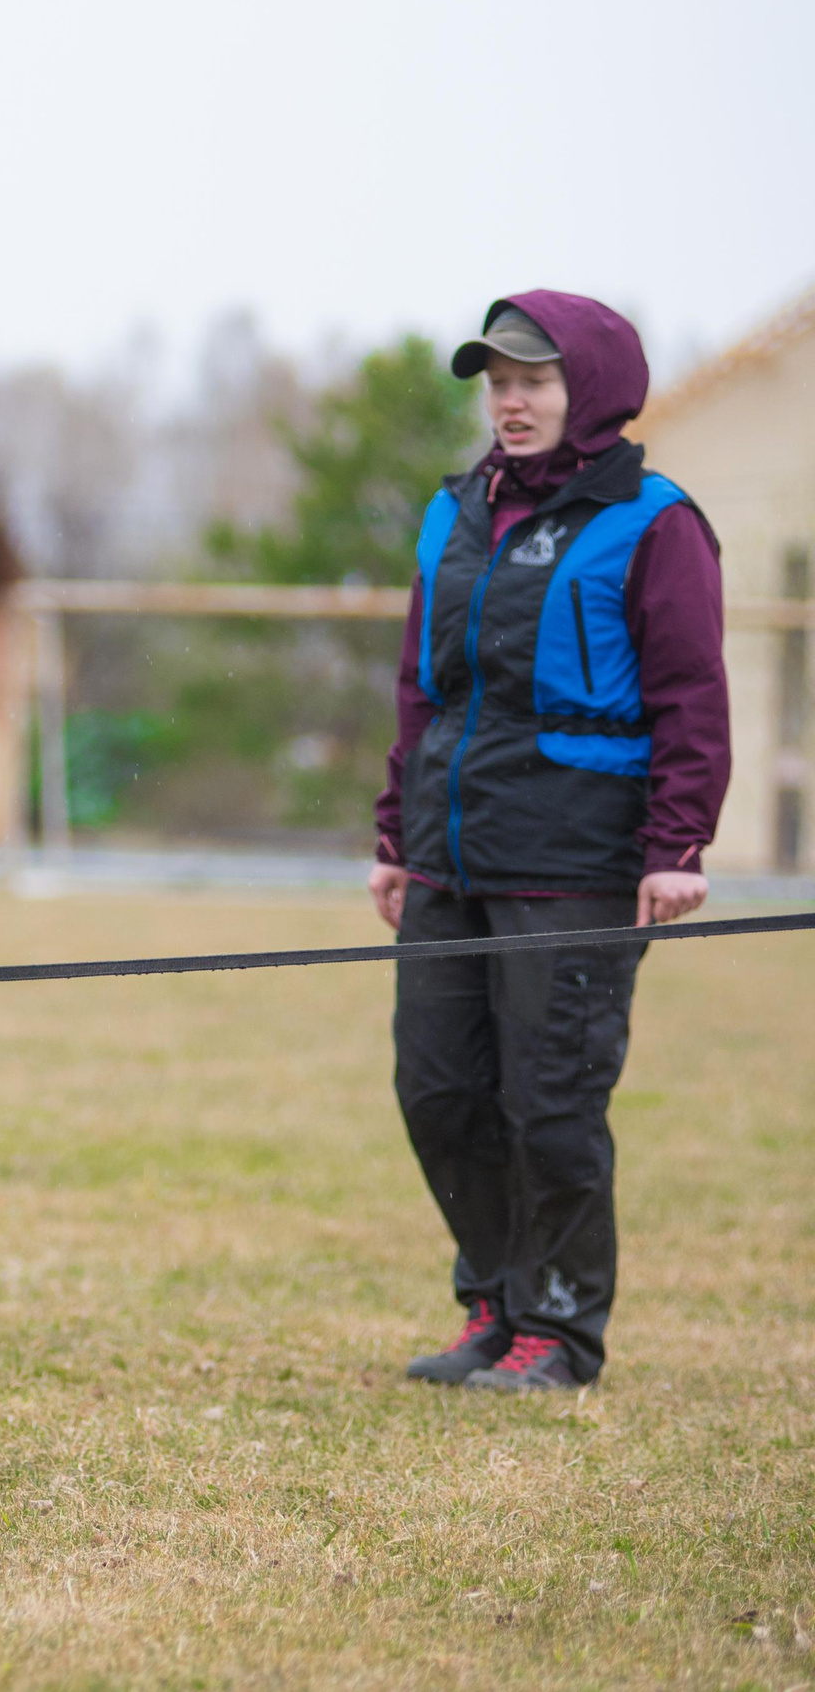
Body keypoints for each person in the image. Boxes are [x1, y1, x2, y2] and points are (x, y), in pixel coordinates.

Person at [371, 291, 729, 1393]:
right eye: (498, 384)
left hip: (575, 860)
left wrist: (678, 844)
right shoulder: (453, 514)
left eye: (533, 381)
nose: (510, 402)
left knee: (550, 1102)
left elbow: (690, 694)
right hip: (448, 856)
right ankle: (493, 1303)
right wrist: (394, 835)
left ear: (593, 389)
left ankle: (559, 1330)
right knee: (438, 1090)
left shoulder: (653, 522)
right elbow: (421, 689)